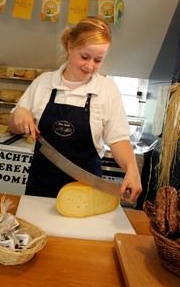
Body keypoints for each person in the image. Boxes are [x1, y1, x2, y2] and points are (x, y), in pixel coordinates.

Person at [8, 16, 141, 203]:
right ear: (70, 47)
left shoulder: (107, 90)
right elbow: (13, 126)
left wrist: (132, 169)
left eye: (98, 60)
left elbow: (118, 139)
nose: (89, 66)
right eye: (85, 57)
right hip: (41, 188)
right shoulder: (44, 83)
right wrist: (19, 115)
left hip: (85, 193)